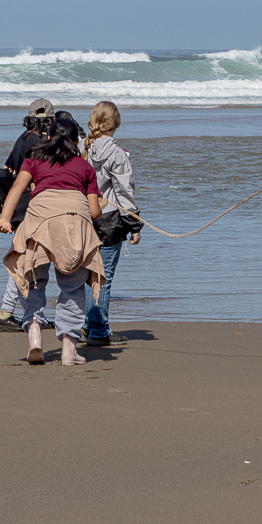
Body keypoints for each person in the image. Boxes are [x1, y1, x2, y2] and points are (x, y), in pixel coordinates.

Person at [0, 118, 106, 366]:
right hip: (73, 223)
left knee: (34, 280)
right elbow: (94, 212)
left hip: (40, 222)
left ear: (48, 138)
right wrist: (103, 202)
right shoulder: (85, 167)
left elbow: (17, 188)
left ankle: (35, 336)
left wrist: (5, 218)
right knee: (73, 286)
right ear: (77, 142)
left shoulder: (34, 159)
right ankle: (69, 349)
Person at [81, 101, 143, 346]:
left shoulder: (84, 149)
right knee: (102, 278)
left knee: (90, 276)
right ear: (115, 124)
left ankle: (89, 326)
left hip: (87, 218)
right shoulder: (116, 153)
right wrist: (135, 226)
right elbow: (125, 191)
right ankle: (98, 329)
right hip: (109, 219)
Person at [0, 98, 55, 332]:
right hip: (31, 210)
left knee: (22, 261)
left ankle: (7, 312)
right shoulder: (38, 144)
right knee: (27, 263)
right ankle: (31, 316)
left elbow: (9, 169)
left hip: (18, 209)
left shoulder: (22, 139)